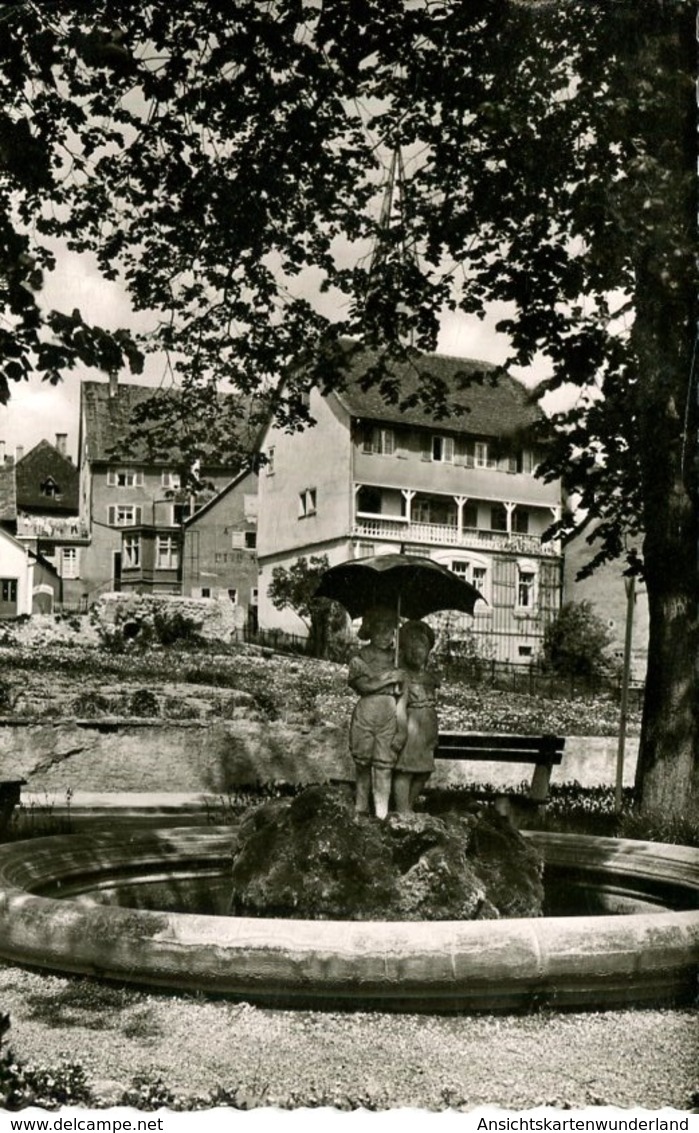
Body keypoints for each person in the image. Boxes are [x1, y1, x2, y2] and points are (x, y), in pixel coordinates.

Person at [347, 605, 404, 819]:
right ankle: (361, 808)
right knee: (362, 763)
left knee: (384, 766)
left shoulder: (397, 658)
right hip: (366, 715)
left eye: (389, 629)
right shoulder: (360, 658)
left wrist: (399, 680)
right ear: (369, 629)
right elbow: (364, 686)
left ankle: (382, 813)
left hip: (388, 716)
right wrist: (389, 678)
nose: (385, 635)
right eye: (379, 629)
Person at [392, 619, 440, 814]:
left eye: (421, 646)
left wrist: (433, 733)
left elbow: (433, 707)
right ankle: (402, 809)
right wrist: (401, 731)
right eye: (411, 646)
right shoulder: (402, 675)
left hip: (426, 731)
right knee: (406, 770)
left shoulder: (430, 678)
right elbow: (400, 707)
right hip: (411, 730)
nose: (417, 651)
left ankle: (408, 805)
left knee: (424, 770)